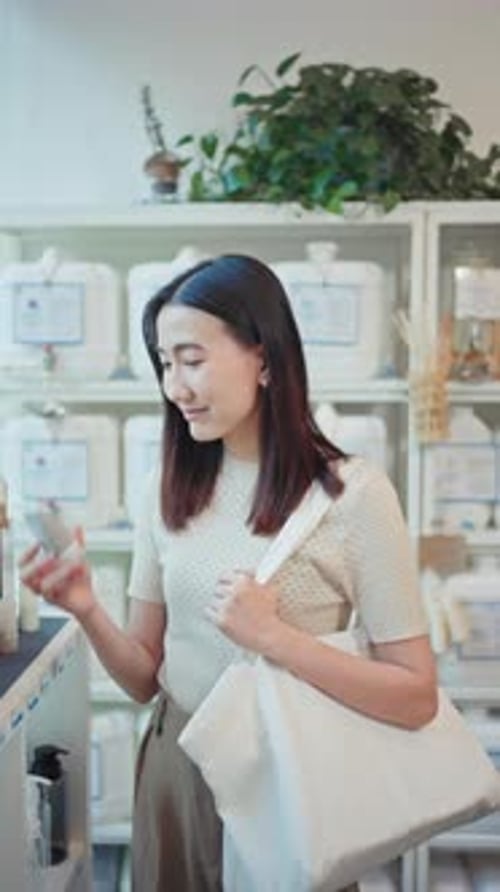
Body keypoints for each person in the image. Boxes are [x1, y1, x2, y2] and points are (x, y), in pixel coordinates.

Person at [20, 254, 438, 892]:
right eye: (165, 363)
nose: (175, 387)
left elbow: (414, 698)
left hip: (288, 777)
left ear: (265, 359)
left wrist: (276, 639)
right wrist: (86, 606)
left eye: (192, 359)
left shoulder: (355, 496)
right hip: (175, 767)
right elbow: (141, 679)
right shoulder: (166, 487)